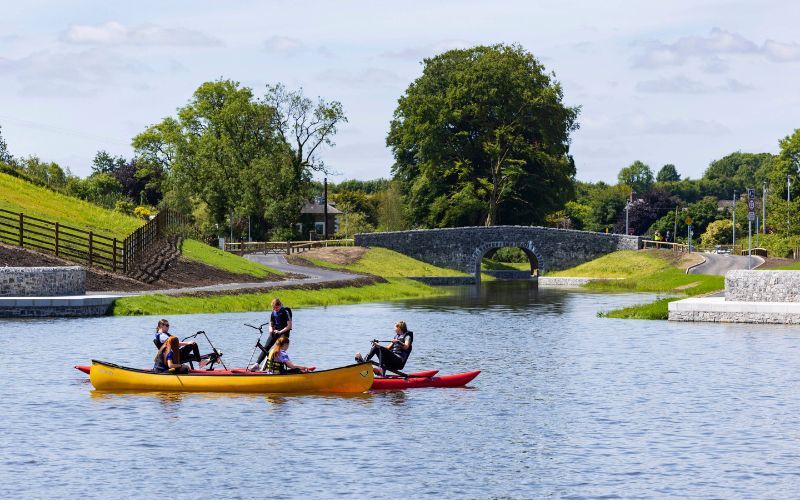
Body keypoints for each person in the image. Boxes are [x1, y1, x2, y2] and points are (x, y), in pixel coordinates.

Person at [255, 298, 293, 367]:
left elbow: (289, 326)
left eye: (276, 307)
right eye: (274, 308)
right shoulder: (273, 312)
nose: (275, 309)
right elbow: (271, 323)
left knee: (278, 349)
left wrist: (280, 331)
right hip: (275, 332)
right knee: (266, 347)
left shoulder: (285, 311)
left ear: (280, 305)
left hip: (284, 333)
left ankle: (283, 366)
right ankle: (257, 364)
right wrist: (270, 329)